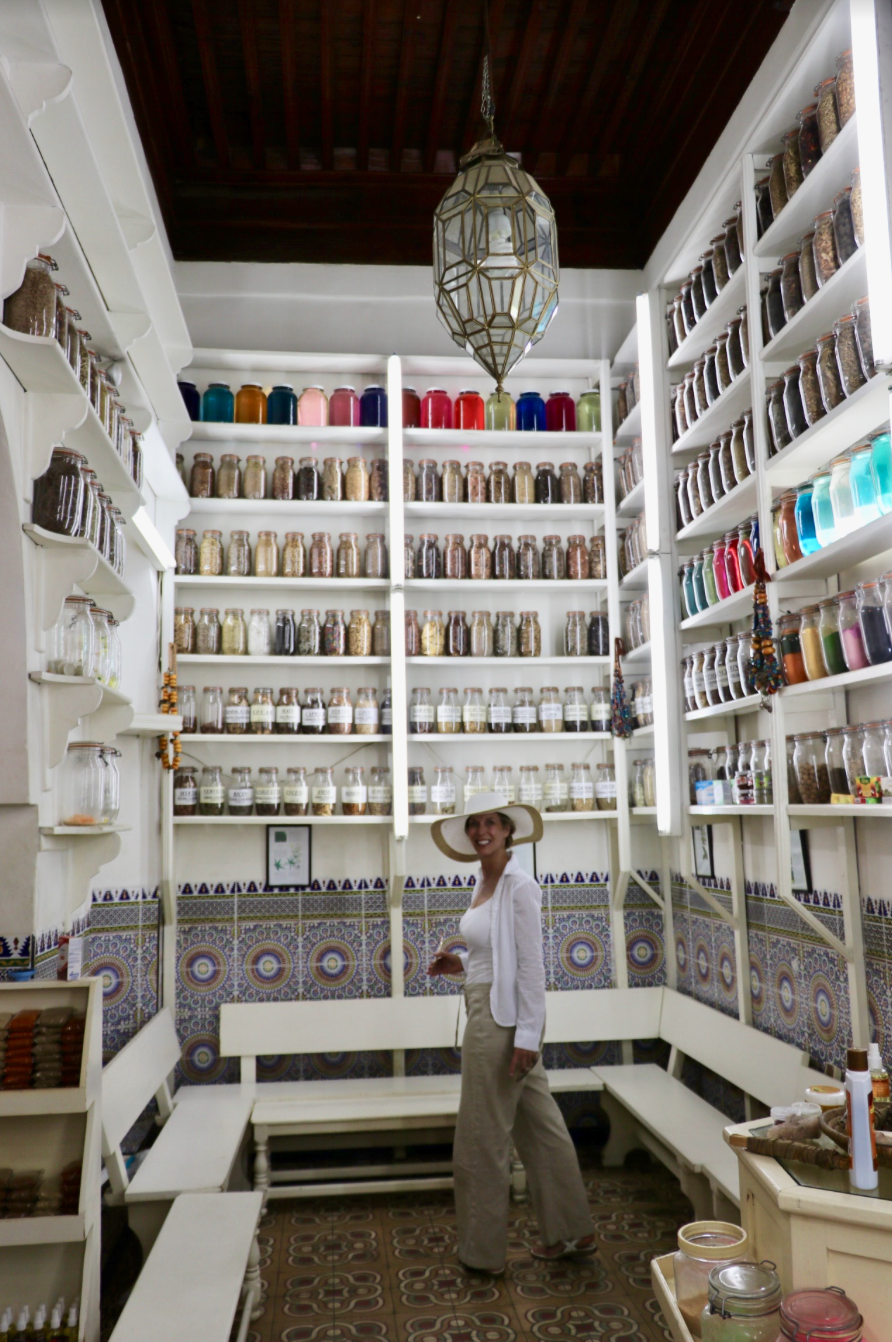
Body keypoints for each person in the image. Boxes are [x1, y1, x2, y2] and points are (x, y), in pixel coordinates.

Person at [427, 790, 595, 1275]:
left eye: (491, 824)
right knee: (540, 1128)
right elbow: (492, 958)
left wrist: (527, 1037)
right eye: (474, 824)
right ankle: (572, 1231)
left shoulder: (519, 885)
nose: (481, 831)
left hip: (499, 1025)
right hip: (497, 1011)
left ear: (507, 830)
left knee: (481, 1138)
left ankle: (481, 1254)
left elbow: (531, 967)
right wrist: (459, 964)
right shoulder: (485, 879)